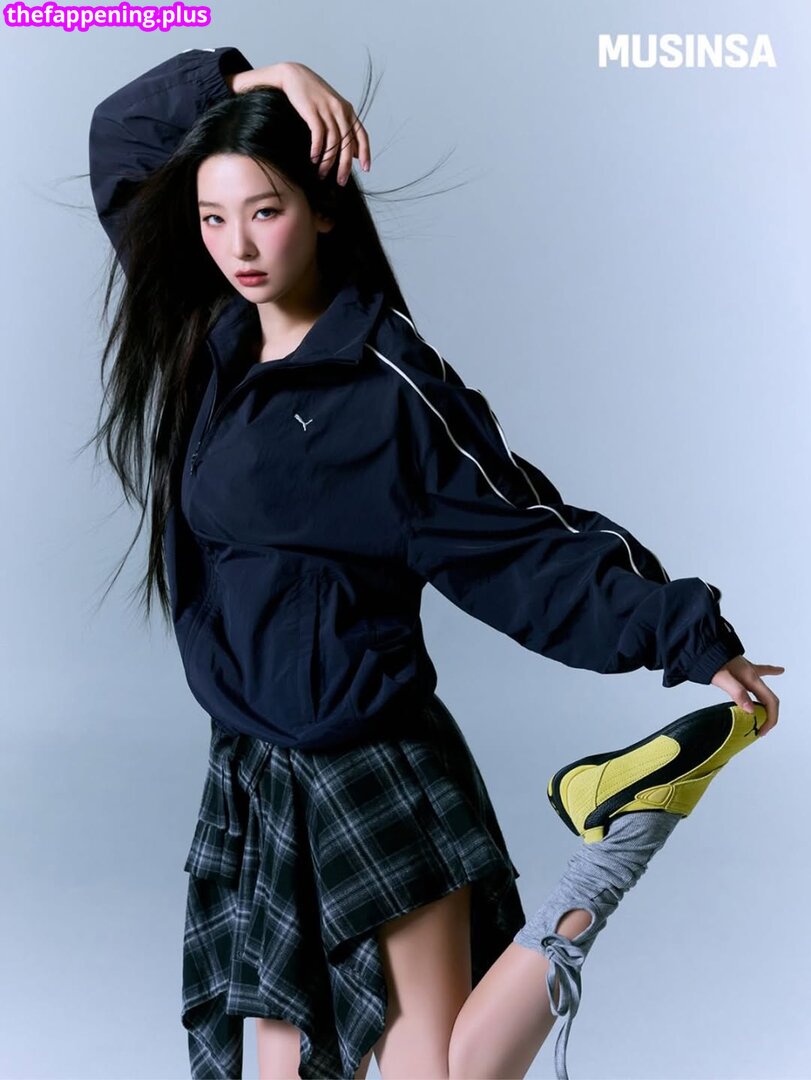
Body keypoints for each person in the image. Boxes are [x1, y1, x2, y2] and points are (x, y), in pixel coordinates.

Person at [86, 45, 783, 1080]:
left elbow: (521, 537)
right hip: (256, 771)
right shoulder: (210, 334)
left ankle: (618, 841)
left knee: (445, 1075)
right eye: (213, 217)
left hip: (372, 763)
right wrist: (254, 80)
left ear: (326, 210)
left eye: (265, 211)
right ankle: (621, 825)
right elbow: (119, 141)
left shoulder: (387, 388)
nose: (237, 245)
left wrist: (688, 637)